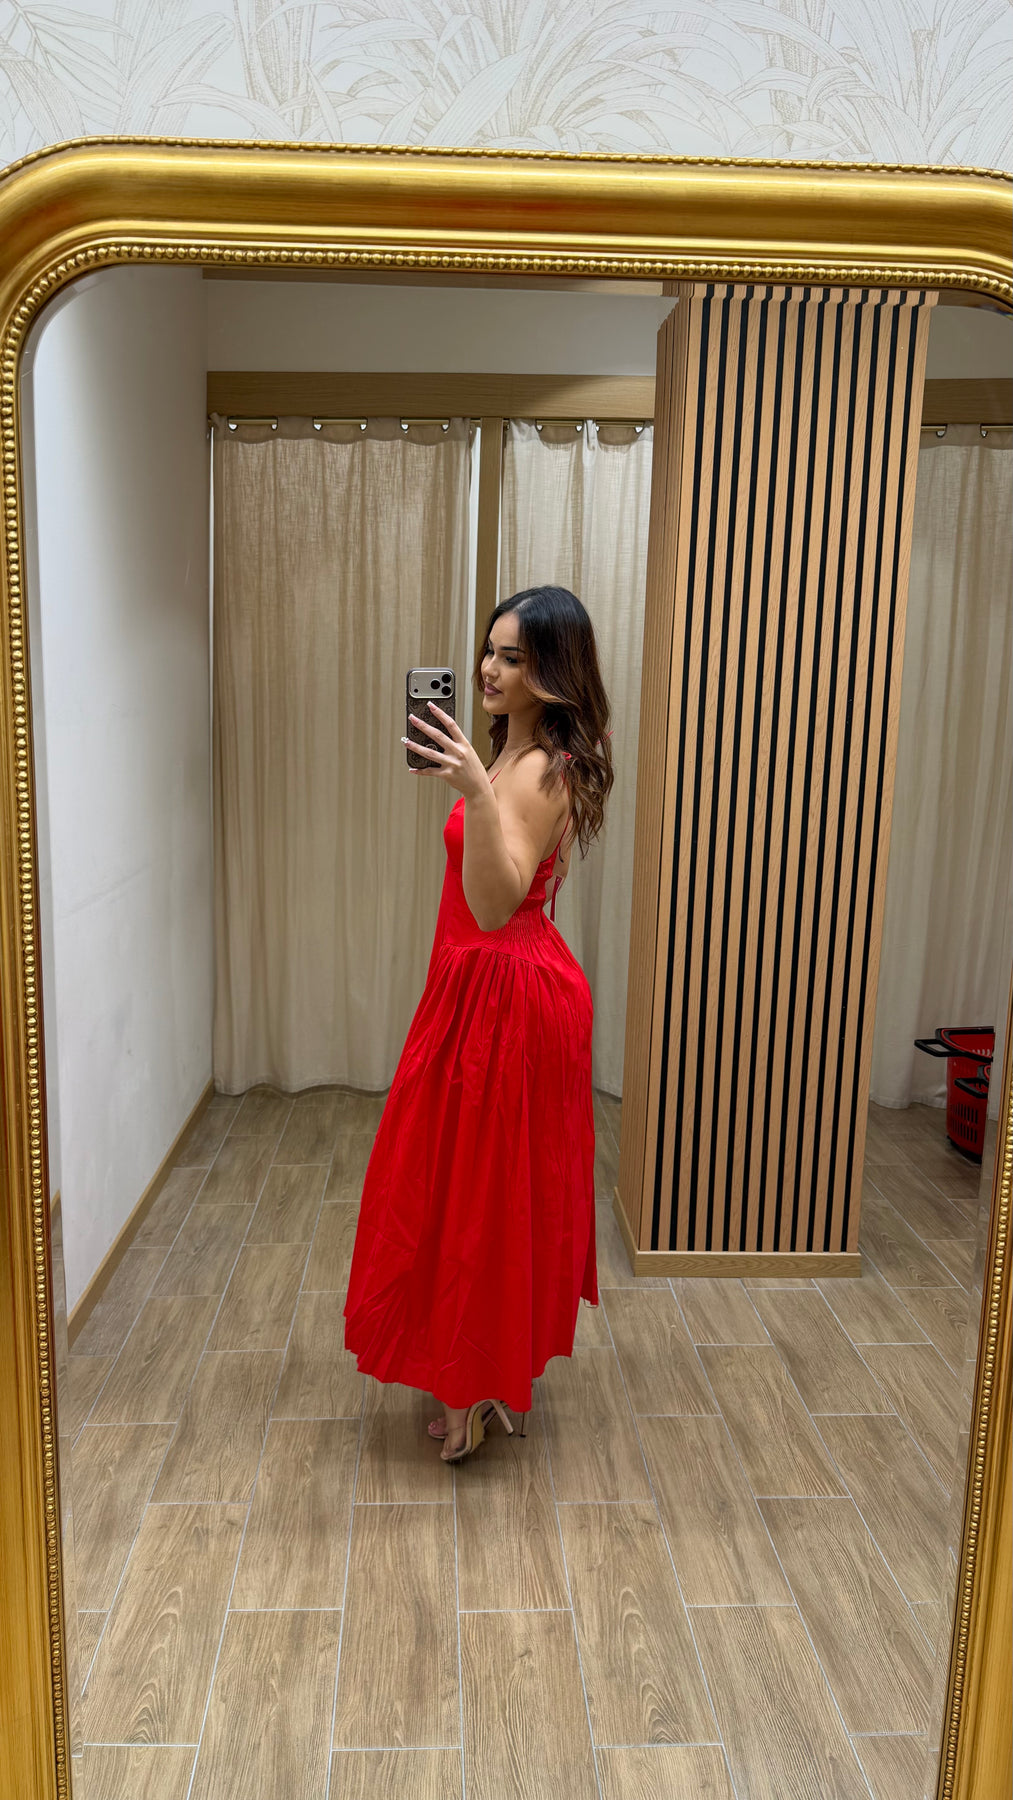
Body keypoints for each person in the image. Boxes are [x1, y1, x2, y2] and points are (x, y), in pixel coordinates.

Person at [343, 585, 614, 1463]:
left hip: (506, 993)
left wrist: (473, 790)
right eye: (489, 651)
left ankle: (470, 1390)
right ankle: (477, 1376)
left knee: (481, 1198)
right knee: (460, 1185)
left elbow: (496, 905)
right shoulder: (515, 754)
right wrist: (473, 781)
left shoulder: (537, 771)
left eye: (513, 657)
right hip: (479, 987)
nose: (490, 669)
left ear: (552, 670)